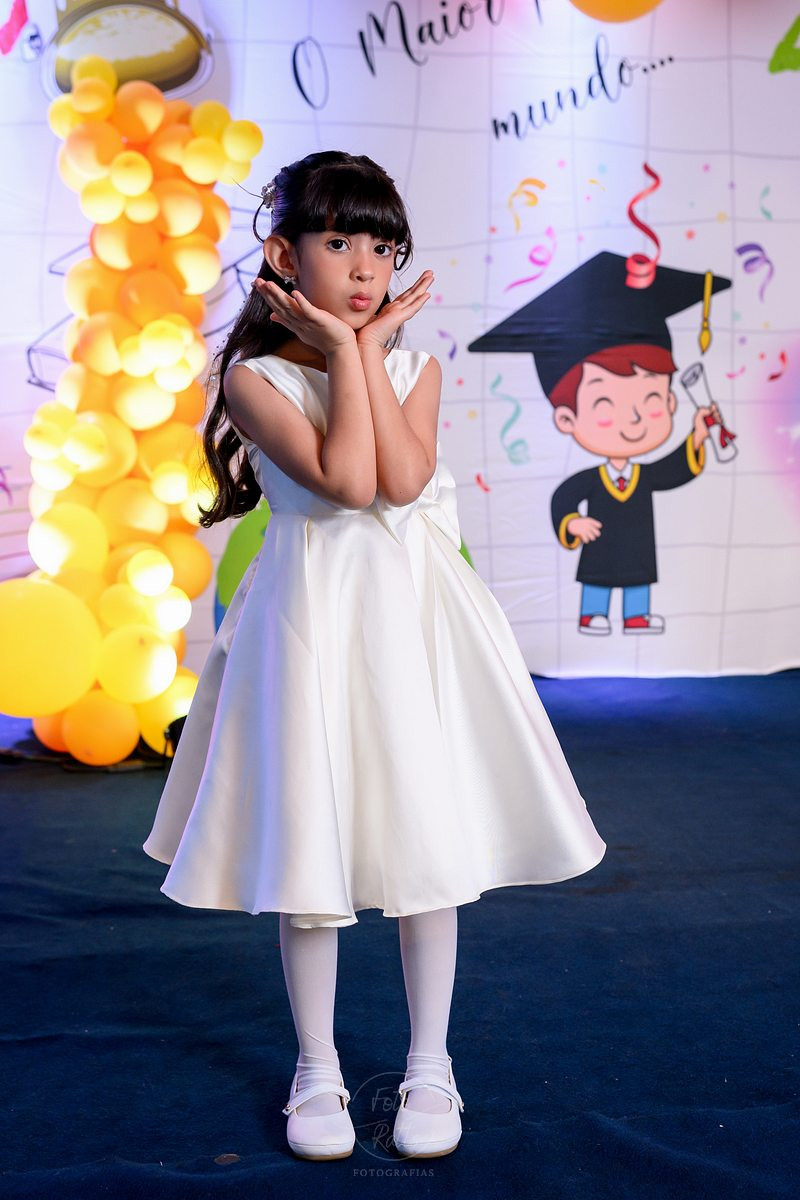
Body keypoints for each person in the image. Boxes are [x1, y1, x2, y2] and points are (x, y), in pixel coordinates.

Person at [142, 150, 606, 1162]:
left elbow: (399, 480)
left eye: (383, 247)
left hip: (413, 626)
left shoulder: (415, 368)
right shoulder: (254, 378)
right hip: (310, 624)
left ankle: (430, 1063)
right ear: (283, 254)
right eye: (339, 240)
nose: (365, 267)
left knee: (424, 839)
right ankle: (317, 1068)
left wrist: (363, 349)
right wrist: (348, 350)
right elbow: (346, 483)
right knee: (310, 843)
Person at [467, 251, 730, 636]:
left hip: (637, 551)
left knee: (639, 578)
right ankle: (593, 615)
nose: (635, 419)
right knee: (596, 579)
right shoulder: (591, 480)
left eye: (652, 400)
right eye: (606, 406)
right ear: (567, 419)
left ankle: (636, 617)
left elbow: (673, 470)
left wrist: (698, 436)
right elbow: (564, 498)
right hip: (600, 551)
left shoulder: (644, 476)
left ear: (671, 402)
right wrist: (572, 523)